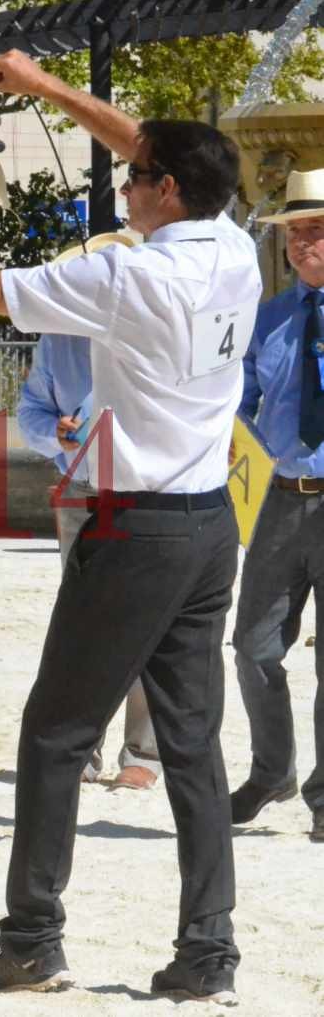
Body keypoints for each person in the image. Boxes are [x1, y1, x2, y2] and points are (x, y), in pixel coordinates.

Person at [0, 48, 258, 1004]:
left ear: (163, 191)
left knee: (54, 733)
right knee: (194, 747)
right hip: (207, 524)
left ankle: (31, 940)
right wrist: (42, 89)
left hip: (136, 530)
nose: (123, 179)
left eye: (133, 175)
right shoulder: (232, 245)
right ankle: (207, 951)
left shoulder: (133, 278)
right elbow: (158, 151)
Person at [16, 245, 160, 793]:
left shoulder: (153, 335)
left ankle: (144, 753)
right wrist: (52, 431)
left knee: (145, 617)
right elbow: (31, 410)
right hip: (81, 489)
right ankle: (82, 747)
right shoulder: (58, 341)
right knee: (81, 621)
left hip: (144, 490)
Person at [229, 168, 324, 844]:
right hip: (276, 504)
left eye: (314, 230)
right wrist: (232, 496)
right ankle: (272, 771)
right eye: (293, 233)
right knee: (251, 647)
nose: (299, 243)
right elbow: (236, 409)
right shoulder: (268, 318)